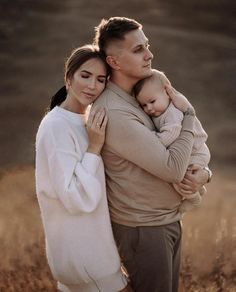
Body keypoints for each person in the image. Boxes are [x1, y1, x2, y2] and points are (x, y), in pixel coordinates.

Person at [92, 17, 212, 292]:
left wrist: (205, 174)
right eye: (138, 49)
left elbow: (197, 144)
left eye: (147, 45)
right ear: (114, 62)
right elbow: (172, 168)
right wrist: (190, 116)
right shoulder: (115, 111)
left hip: (166, 221)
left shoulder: (150, 87)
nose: (149, 54)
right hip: (143, 229)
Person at [35, 44, 130, 292]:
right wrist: (94, 148)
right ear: (68, 78)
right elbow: (74, 197)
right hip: (86, 260)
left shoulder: (86, 121)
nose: (92, 86)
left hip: (96, 255)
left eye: (100, 80)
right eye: (85, 76)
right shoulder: (57, 125)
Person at [133, 69, 211, 214]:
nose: (149, 108)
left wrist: (152, 140)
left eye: (152, 102)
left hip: (196, 152)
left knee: (180, 179)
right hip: (194, 152)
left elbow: (171, 134)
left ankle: (193, 199)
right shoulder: (160, 110)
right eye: (144, 105)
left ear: (167, 92)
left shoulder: (172, 112)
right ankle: (199, 190)